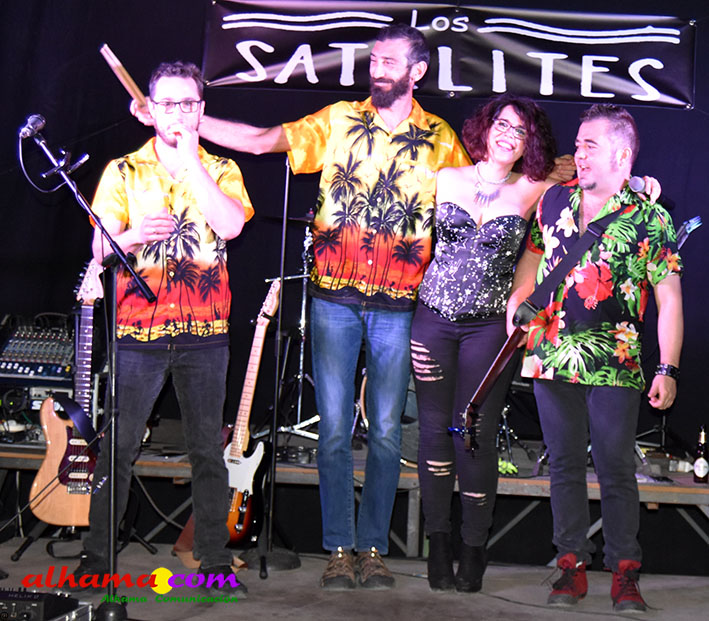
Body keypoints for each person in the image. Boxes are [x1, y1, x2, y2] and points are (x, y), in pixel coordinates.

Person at [147, 24, 470, 590]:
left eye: (389, 61)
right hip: (334, 299)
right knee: (335, 430)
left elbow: (482, 194)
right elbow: (260, 141)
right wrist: (185, 124)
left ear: (417, 71)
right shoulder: (339, 119)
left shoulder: (442, 139)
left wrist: (554, 177)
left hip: (400, 304)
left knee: (387, 431)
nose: (377, 68)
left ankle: (374, 548)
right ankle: (340, 549)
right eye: (374, 59)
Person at [73, 61, 254, 596]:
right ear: (150, 110)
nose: (177, 112)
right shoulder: (123, 171)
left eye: (187, 103)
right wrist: (132, 237)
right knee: (118, 446)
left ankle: (214, 562)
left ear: (200, 109)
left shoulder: (221, 169)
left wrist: (192, 161)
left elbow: (231, 225)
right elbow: (99, 249)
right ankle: (97, 558)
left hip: (205, 332)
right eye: (167, 103)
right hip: (138, 332)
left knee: (206, 450)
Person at [507, 103, 683, 613]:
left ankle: (625, 571)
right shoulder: (553, 200)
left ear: (622, 155)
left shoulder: (650, 217)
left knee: (614, 467)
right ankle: (570, 565)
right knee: (562, 465)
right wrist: (519, 300)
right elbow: (534, 256)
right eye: (578, 143)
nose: (579, 153)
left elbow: (669, 298)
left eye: (591, 145)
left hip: (615, 361)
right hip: (550, 354)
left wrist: (668, 367)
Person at [410, 94, 566, 593]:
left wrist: (640, 184)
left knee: (473, 431)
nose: (508, 135)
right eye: (502, 124)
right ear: (485, 126)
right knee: (434, 433)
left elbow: (593, 179)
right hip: (432, 320)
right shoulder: (445, 177)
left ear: (529, 144)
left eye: (520, 131)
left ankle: (474, 546)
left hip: (489, 328)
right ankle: (438, 542)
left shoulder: (535, 187)